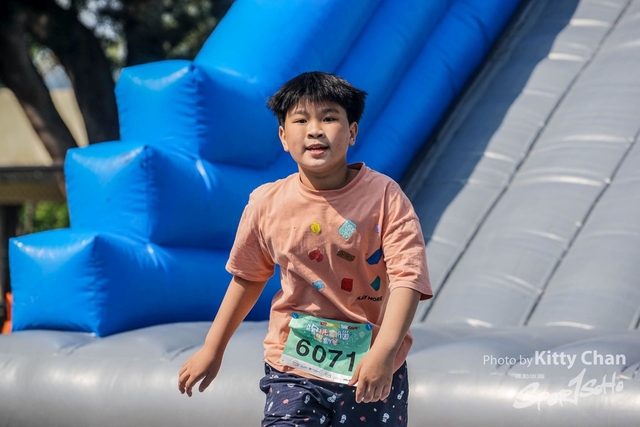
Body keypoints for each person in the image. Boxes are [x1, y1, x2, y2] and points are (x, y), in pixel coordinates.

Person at [178, 71, 432, 426]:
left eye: (329, 118)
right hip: (293, 367)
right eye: (301, 120)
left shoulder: (385, 197)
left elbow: (408, 277)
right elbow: (248, 277)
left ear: (352, 132)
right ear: (283, 136)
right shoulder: (266, 203)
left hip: (369, 366)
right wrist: (213, 347)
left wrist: (385, 351)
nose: (315, 130)